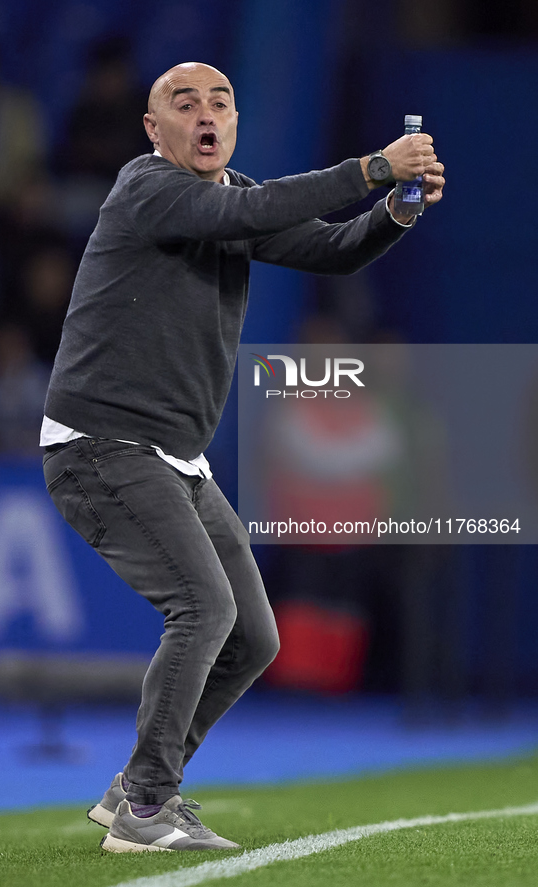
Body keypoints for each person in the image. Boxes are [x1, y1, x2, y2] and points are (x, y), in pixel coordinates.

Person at [41, 61, 445, 853]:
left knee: (253, 636)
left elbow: (329, 250)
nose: (205, 113)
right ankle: (148, 808)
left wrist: (393, 209)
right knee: (204, 608)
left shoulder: (227, 197)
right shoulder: (148, 187)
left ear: (233, 123)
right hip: (103, 445)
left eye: (219, 102)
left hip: (173, 457)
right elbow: (261, 207)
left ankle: (138, 783)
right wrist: (369, 168)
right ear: (154, 130)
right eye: (183, 103)